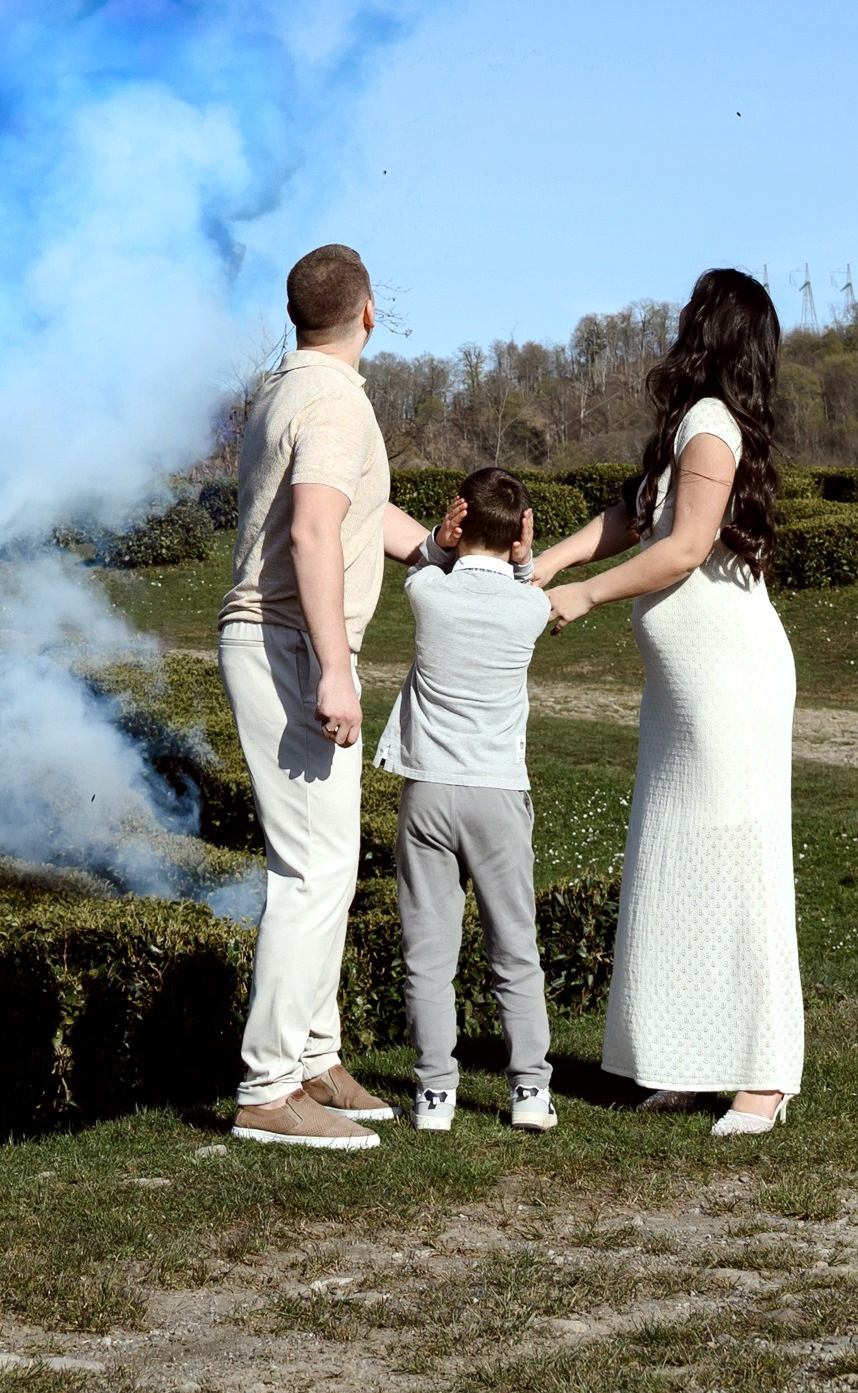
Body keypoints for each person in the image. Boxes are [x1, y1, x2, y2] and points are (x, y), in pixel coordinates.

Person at [531, 267, 803, 1132]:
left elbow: (685, 547)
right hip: (687, 690)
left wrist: (586, 595)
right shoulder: (690, 424)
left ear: (707, 329)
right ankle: (687, 1057)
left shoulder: (713, 427)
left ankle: (763, 1074)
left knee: (739, 864)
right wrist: (552, 561)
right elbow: (636, 514)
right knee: (679, 860)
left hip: (730, 681)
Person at [217, 241, 435, 1149]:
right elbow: (312, 533)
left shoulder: (287, 390)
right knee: (311, 871)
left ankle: (314, 1059)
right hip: (293, 643)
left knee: (327, 866)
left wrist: (438, 551)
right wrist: (336, 668)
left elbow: (347, 513)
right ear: (370, 313)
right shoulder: (337, 402)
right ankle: (268, 1089)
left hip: (279, 639)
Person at [374, 462, 557, 1136]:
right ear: (521, 532)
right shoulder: (531, 607)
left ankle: (435, 1095)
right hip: (498, 795)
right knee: (515, 947)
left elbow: (425, 559)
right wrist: (524, 556)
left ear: (459, 517)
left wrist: (439, 540)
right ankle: (530, 1089)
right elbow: (526, 581)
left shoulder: (428, 591)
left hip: (429, 790)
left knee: (428, 953)